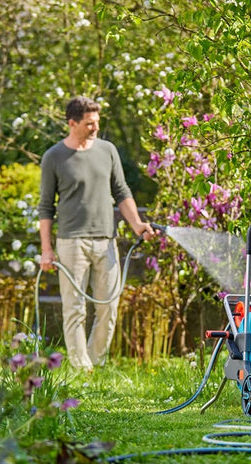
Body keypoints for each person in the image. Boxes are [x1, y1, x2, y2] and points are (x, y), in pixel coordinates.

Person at [38, 96, 154, 371]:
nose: (95, 127)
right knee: (74, 308)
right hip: (71, 242)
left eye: (97, 122)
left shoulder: (107, 150)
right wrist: (46, 249)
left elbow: (122, 191)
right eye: (90, 123)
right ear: (72, 123)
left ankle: (95, 362)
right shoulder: (54, 157)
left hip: (106, 240)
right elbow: (45, 207)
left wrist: (137, 224)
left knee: (109, 306)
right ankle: (81, 368)